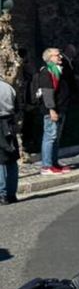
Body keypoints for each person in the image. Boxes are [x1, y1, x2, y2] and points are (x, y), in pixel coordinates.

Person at [35, 47, 70, 174]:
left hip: (61, 108)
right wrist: (51, 109)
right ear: (49, 58)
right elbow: (47, 93)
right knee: (50, 136)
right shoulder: (47, 72)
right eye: (57, 55)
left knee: (56, 138)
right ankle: (47, 165)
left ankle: (54, 163)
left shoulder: (57, 71)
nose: (60, 57)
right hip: (52, 110)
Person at [0, 72, 18, 203]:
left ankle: (2, 192)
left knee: (1, 160)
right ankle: (11, 193)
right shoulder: (8, 87)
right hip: (10, 122)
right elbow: (17, 106)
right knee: (11, 158)